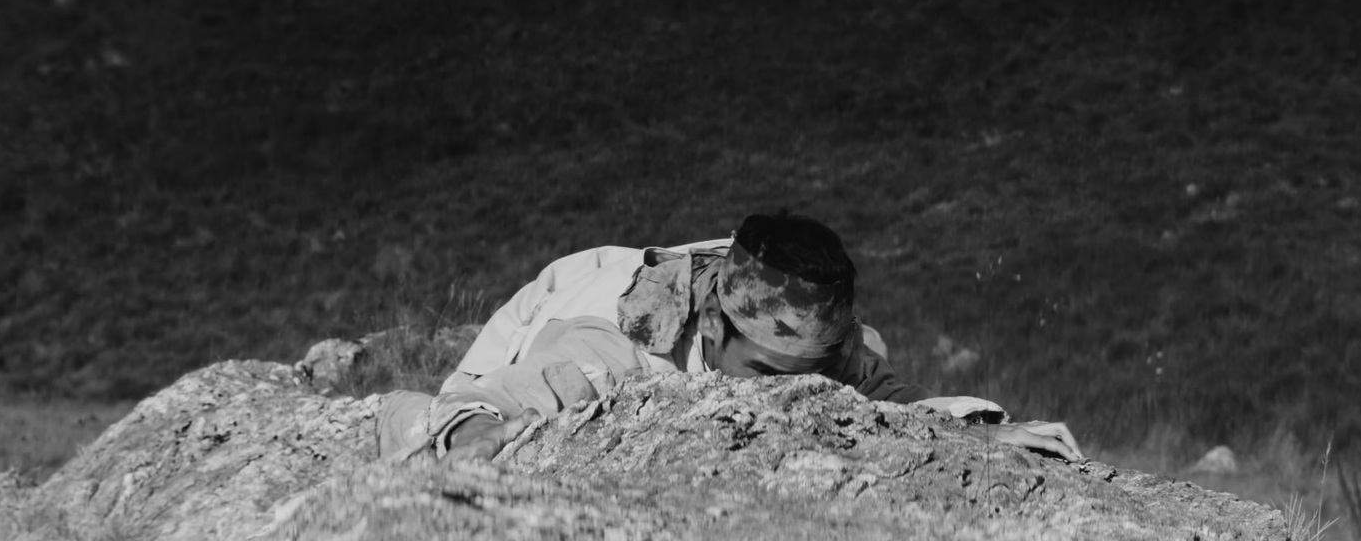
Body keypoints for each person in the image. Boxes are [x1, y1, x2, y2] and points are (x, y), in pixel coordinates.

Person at [374, 212, 1083, 463]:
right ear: (711, 329)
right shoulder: (613, 343)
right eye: (770, 376)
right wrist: (467, 432)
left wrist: (976, 435)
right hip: (542, 326)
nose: (798, 393)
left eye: (814, 369)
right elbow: (516, 392)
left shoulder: (804, 341)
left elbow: (881, 394)